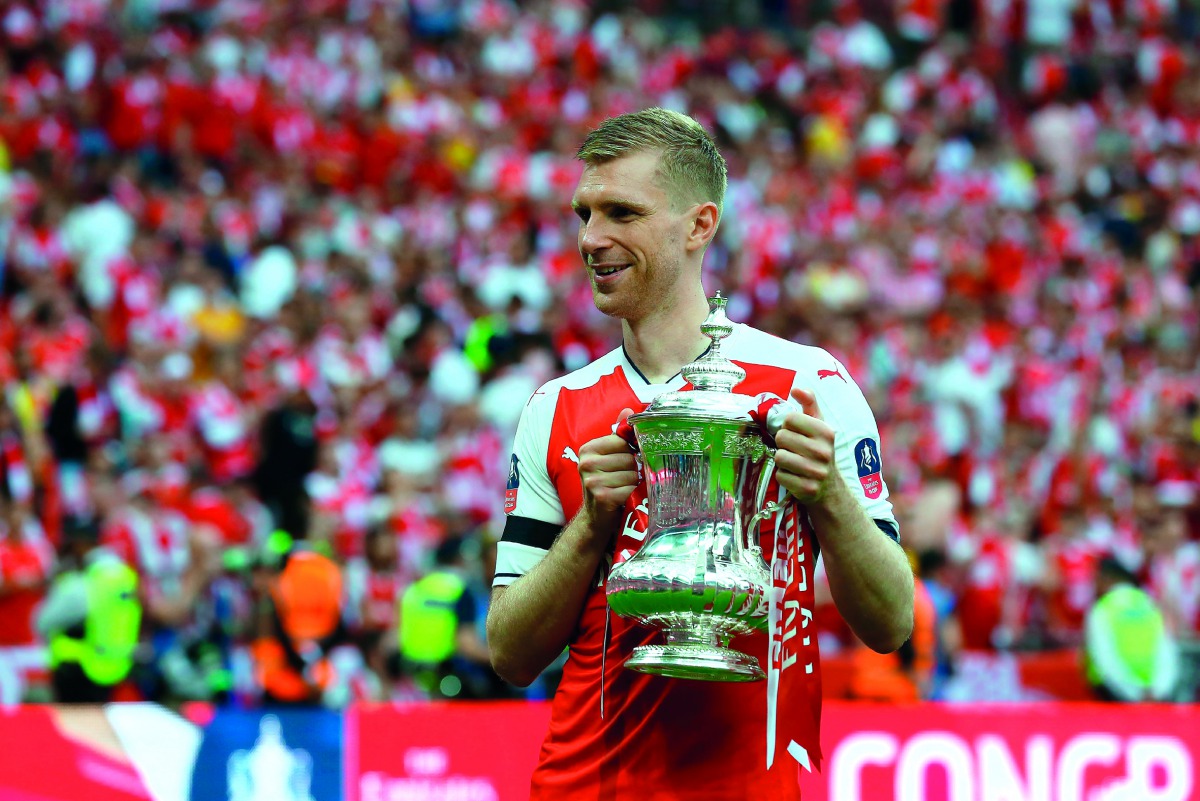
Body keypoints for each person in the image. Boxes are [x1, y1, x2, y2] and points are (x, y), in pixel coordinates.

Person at [486, 108, 914, 799]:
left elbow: (892, 623)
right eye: (584, 214)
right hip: (583, 785)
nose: (592, 238)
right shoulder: (556, 408)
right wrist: (592, 525)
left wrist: (830, 499)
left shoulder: (808, 386)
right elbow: (510, 653)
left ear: (699, 225)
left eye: (622, 213)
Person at [1084, 556, 1180, 703]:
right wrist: (1158, 691)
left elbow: (1104, 659)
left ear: (1106, 578)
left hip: (1115, 696)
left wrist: (1135, 694)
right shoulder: (1148, 604)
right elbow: (1166, 649)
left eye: (1095, 579)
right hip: (1155, 694)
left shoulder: (1103, 608)